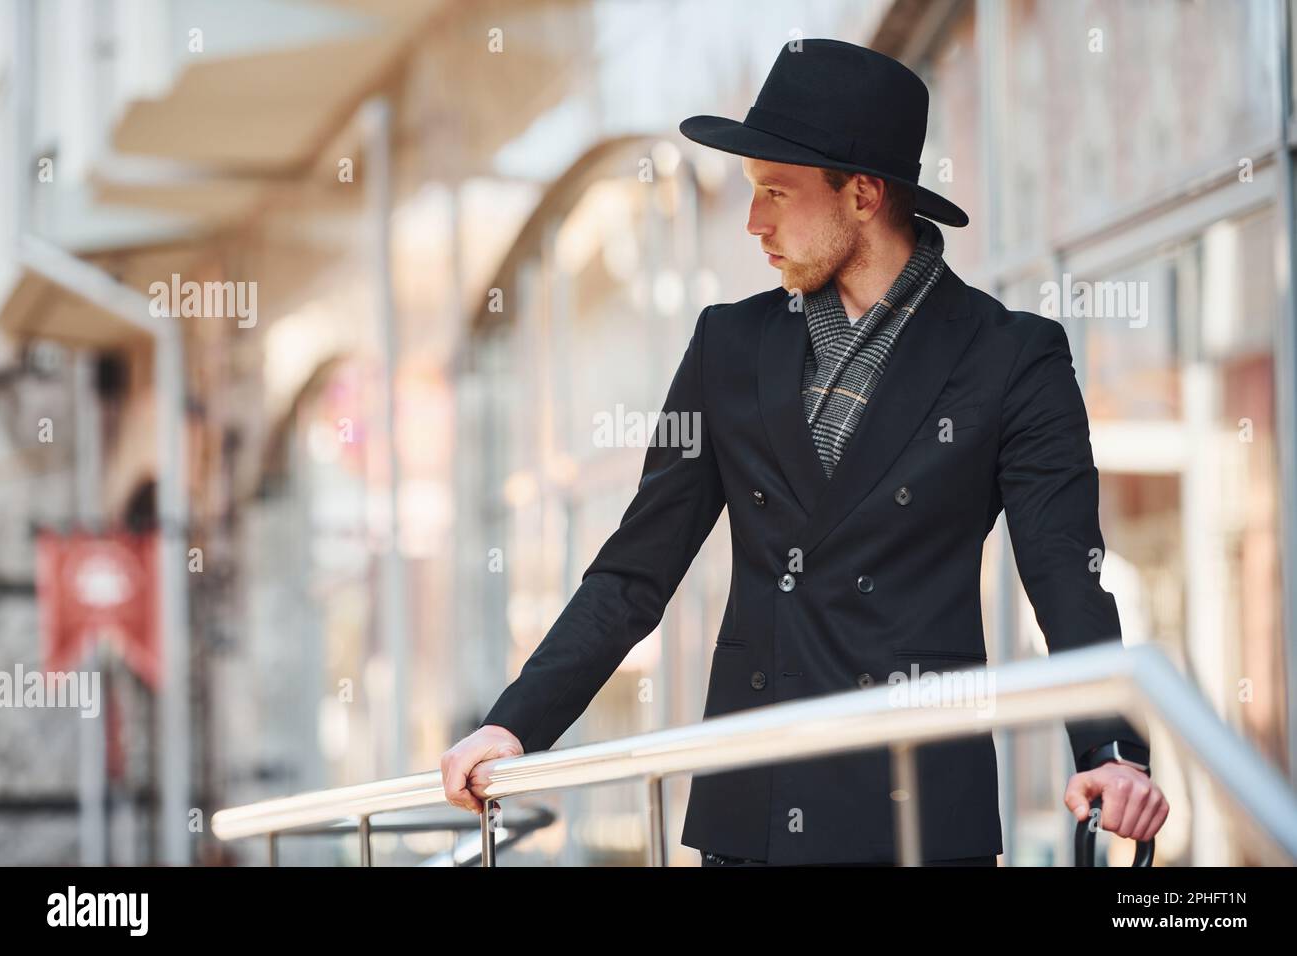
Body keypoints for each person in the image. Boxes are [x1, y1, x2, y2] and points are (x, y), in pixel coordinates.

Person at [441, 38, 1168, 866]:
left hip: (916, 816)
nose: (754, 222)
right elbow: (633, 571)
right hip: (754, 808)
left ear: (862, 194)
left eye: (776, 193)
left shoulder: (1010, 358)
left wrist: (1111, 754)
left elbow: (1065, 575)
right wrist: (515, 721)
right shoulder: (729, 344)